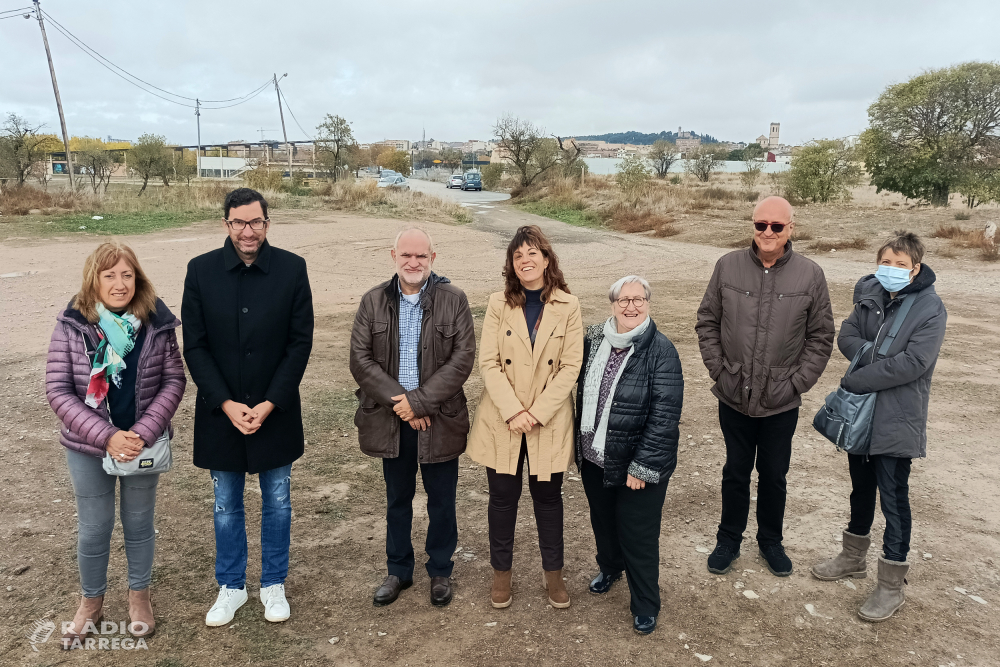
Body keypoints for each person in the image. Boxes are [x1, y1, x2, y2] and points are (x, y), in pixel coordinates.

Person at [181, 187, 314, 627]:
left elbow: (299, 344)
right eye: (238, 222)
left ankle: (273, 582)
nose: (247, 231)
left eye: (255, 221)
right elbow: (195, 347)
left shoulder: (293, 270)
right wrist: (226, 402)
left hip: (276, 410)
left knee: (278, 501)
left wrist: (271, 402)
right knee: (226, 503)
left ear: (267, 223)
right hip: (223, 414)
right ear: (226, 224)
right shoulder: (200, 272)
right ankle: (232, 586)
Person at [46, 241, 186, 646]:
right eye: (109, 275)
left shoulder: (156, 321)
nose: (119, 283)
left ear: (137, 278)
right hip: (88, 446)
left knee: (140, 524)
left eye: (126, 274)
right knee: (94, 528)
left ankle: (139, 596)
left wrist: (143, 431)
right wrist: (106, 436)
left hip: (143, 442)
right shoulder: (72, 323)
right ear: (95, 279)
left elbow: (174, 380)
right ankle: (91, 604)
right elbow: (58, 390)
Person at [695, 196, 834, 577]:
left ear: (792, 228)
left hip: (781, 401)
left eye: (776, 226)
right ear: (752, 226)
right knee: (735, 472)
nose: (767, 233)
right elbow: (707, 322)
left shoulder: (810, 274)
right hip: (734, 393)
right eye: (761, 225)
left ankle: (771, 541)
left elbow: (821, 337)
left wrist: (796, 384)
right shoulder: (728, 266)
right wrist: (719, 371)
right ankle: (728, 540)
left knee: (774, 475)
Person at [811, 231, 946, 622]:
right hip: (861, 415)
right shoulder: (869, 297)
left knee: (894, 497)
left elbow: (914, 363)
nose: (891, 269)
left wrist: (860, 378)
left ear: (915, 268)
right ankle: (853, 557)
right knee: (860, 488)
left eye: (900, 264)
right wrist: (874, 354)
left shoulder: (930, 308)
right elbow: (848, 336)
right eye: (886, 262)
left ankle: (890, 582)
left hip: (897, 417)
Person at [349, 228, 476, 607]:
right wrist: (401, 405)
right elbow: (361, 360)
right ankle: (398, 570)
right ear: (393, 255)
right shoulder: (372, 301)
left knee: (442, 500)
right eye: (406, 255)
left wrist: (419, 404)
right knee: (397, 498)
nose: (413, 262)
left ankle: (440, 570)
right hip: (391, 419)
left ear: (433, 258)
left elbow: (462, 359)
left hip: (439, 418)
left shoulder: (454, 299)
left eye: (421, 256)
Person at [467, 225, 583, 610]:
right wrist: (514, 411)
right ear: (511, 266)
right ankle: (502, 575)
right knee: (502, 498)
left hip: (547, 419)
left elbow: (570, 367)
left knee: (548, 498)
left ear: (547, 259)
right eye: (518, 256)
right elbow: (488, 362)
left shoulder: (570, 305)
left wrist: (536, 413)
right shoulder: (499, 304)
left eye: (533, 253)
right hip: (503, 416)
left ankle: (554, 576)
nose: (525, 260)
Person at [575, 276, 683, 635]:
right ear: (612, 304)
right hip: (595, 456)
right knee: (603, 522)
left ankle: (645, 603)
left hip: (637, 463)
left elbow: (665, 416)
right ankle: (609, 568)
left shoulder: (661, 350)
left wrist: (644, 466)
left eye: (638, 299)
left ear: (648, 304)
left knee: (638, 534)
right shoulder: (593, 339)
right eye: (623, 300)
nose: (631, 306)